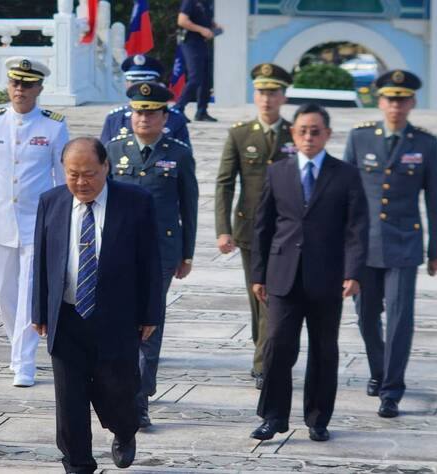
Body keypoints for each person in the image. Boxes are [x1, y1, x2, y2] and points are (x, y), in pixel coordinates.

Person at [32, 138, 163, 473]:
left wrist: (151, 313)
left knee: (116, 390)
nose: (81, 182)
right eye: (73, 174)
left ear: (106, 166)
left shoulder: (135, 202)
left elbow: (150, 262)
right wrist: (39, 310)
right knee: (69, 399)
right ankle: (77, 463)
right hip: (66, 315)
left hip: (116, 318)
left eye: (89, 174)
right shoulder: (51, 202)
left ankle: (124, 429)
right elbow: (42, 260)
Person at [250, 103, 368, 443]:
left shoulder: (346, 174)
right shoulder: (278, 171)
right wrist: (259, 274)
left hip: (327, 277)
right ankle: (273, 417)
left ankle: (318, 418)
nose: (309, 137)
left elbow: (357, 227)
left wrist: (353, 271)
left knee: (324, 349)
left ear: (328, 135)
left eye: (316, 131)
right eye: (303, 130)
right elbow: (263, 227)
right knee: (277, 346)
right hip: (284, 275)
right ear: (293, 133)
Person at [344, 70, 437, 418]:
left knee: (400, 319)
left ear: (412, 102)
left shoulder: (425, 143)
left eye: (402, 99)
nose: (396, 106)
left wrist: (436, 250)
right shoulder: (360, 138)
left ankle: (392, 390)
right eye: (390, 99)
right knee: (366, 317)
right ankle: (378, 370)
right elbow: (345, 194)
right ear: (380, 101)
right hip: (363, 246)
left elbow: (434, 198)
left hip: (404, 244)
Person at [0, 56, 68, 388]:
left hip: (38, 223)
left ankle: (25, 362)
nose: (20, 90)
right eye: (15, 83)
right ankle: (17, 349)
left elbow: (62, 178)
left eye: (27, 84)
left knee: (28, 294)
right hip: (1, 222)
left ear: (39, 88)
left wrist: (63, 222)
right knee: (4, 293)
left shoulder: (53, 125)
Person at [105, 82, 198, 428]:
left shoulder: (179, 153)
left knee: (150, 326)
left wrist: (186, 254)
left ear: (164, 116)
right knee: (120, 326)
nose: (143, 118)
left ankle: (140, 398)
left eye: (151, 112)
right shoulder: (113, 151)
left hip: (161, 252)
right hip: (119, 252)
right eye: (138, 111)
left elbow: (189, 207)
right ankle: (120, 390)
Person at [214, 63, 295, 390]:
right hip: (250, 231)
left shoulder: (296, 132)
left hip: (287, 232)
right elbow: (224, 183)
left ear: (283, 96)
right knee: (258, 296)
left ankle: (265, 362)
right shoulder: (240, 133)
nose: (267, 99)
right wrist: (223, 229)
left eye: (273, 92)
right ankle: (263, 346)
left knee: (273, 297)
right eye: (262, 92)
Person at [100, 54, 191, 147]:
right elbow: (103, 157)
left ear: (156, 84)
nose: (141, 87)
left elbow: (185, 157)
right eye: (134, 82)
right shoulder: (115, 118)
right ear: (126, 84)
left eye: (147, 82)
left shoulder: (174, 118)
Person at [175, 0, 222, 122]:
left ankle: (202, 111)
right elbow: (182, 20)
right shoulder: (190, 2)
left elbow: (203, 19)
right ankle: (178, 108)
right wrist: (201, 29)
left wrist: (213, 26)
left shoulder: (207, 3)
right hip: (191, 42)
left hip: (202, 43)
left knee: (206, 78)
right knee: (195, 77)